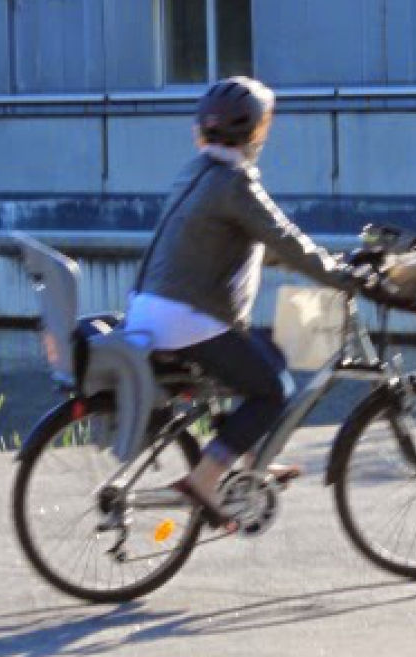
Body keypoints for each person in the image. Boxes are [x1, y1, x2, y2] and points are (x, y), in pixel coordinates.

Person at [125, 76, 365, 531]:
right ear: (258, 131)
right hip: (188, 319)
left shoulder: (197, 173)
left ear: (203, 131)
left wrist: (314, 263)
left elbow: (250, 240)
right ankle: (206, 477)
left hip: (154, 309)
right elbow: (284, 239)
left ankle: (252, 457)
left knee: (272, 349)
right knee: (274, 391)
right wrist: (340, 276)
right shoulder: (235, 183)